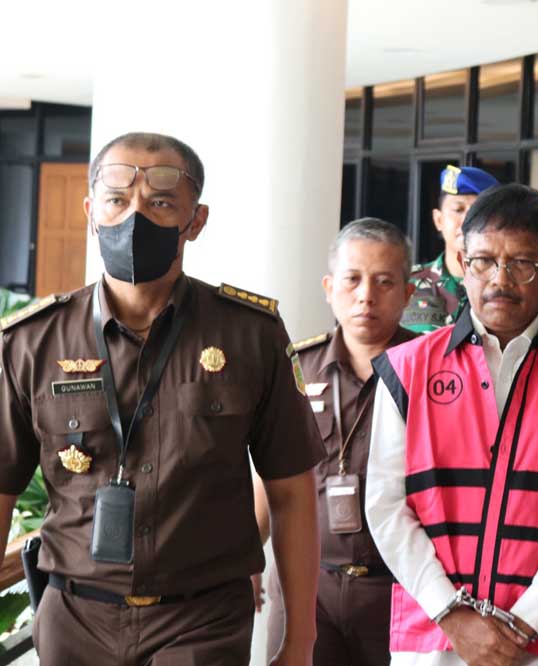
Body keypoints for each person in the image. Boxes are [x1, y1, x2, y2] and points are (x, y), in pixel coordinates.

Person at [0, 132, 324, 666]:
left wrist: (300, 643)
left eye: (160, 203)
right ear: (91, 213)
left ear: (195, 221)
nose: (135, 217)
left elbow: (291, 492)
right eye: (117, 200)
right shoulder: (34, 341)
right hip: (75, 621)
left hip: (202, 623)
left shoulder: (251, 335)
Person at [366, 183, 538, 665]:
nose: (500, 280)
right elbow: (385, 506)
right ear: (462, 262)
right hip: (432, 637)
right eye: (484, 261)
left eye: (523, 263)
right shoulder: (406, 370)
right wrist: (451, 613)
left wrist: (523, 621)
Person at [254, 217, 418, 665]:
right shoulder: (296, 368)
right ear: (329, 287)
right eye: (352, 279)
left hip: (400, 588)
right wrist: (248, 558)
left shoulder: (432, 375)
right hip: (307, 586)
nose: (366, 295)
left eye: (384, 282)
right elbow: (270, 474)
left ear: (407, 293)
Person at [402, 165, 499, 333]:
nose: (467, 221)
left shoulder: (505, 286)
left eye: (477, 212)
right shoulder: (408, 283)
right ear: (438, 220)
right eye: (458, 210)